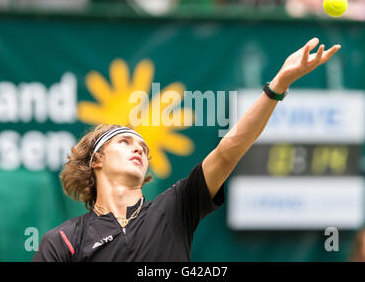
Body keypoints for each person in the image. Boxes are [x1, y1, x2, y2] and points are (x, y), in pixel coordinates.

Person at [32, 37, 341, 262]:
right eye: (124, 142)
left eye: (143, 146)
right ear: (96, 160)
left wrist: (277, 86)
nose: (138, 149)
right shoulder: (64, 242)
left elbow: (229, 149)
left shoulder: (175, 208)